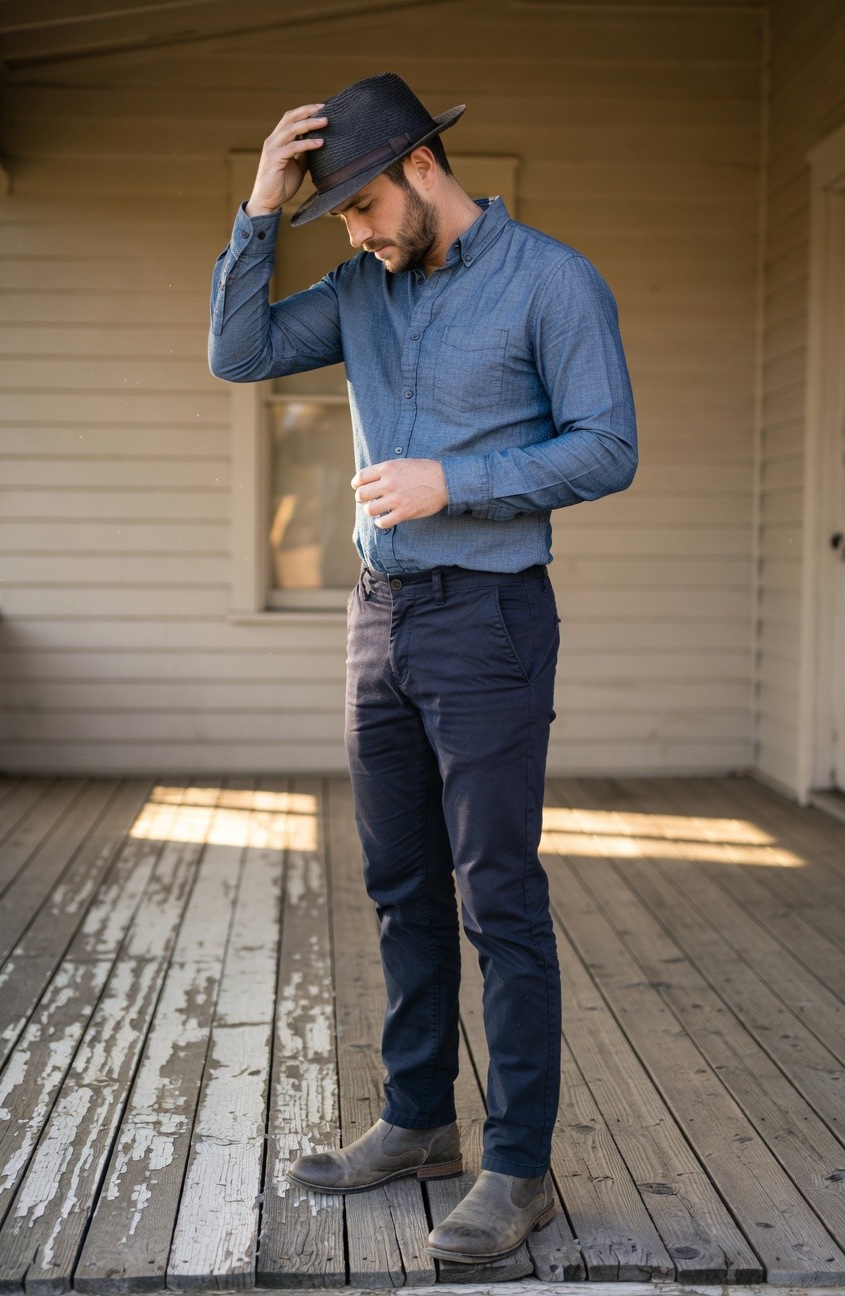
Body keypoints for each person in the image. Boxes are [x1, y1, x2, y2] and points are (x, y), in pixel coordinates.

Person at [209, 71, 637, 1265]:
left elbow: (610, 444)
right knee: (399, 881)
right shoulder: (361, 289)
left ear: (420, 170)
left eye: (356, 207)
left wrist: (459, 482)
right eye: (333, 216)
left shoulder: (554, 282)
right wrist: (259, 204)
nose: (349, 232)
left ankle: (516, 1168)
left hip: (492, 620)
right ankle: (416, 1122)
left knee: (496, 893)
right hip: (381, 615)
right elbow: (237, 352)